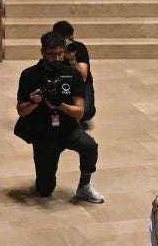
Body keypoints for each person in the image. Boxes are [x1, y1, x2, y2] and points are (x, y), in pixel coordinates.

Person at [14, 29, 102, 202]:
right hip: (43, 134)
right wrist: (34, 102)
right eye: (52, 54)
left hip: (68, 129)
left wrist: (59, 105)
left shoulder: (73, 74)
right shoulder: (29, 75)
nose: (57, 58)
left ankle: (84, 186)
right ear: (42, 52)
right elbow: (21, 111)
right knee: (45, 190)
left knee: (89, 145)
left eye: (60, 53)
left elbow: (80, 111)